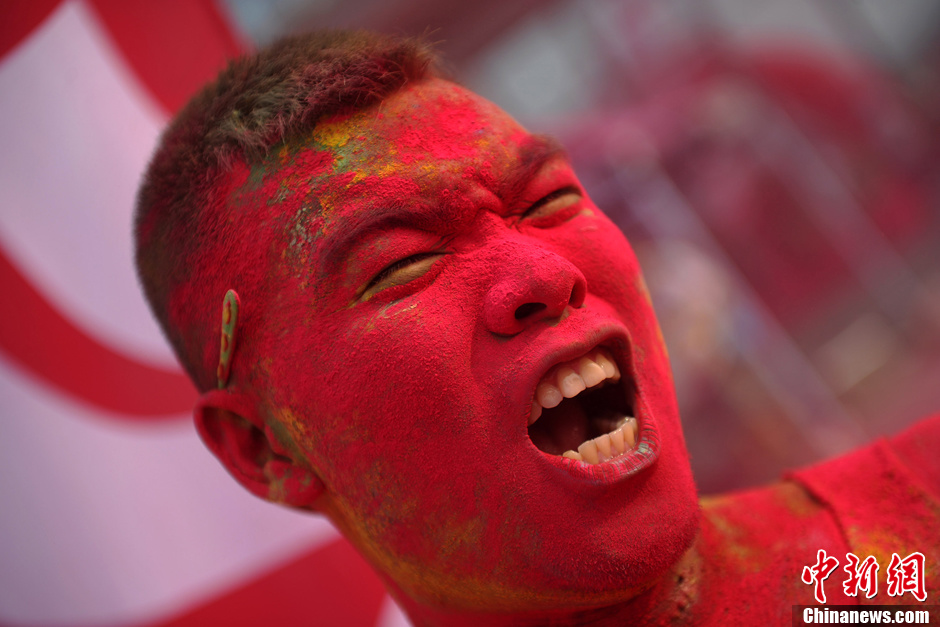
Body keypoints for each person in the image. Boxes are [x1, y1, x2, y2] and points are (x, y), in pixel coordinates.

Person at [134, 30, 940, 625]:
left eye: (549, 200)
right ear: (263, 449)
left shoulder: (901, 553)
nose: (545, 276)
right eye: (399, 264)